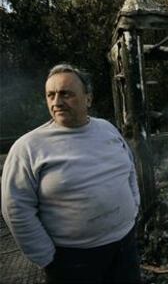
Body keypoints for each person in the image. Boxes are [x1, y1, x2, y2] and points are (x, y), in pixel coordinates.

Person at [1, 64, 141, 283]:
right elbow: (15, 207)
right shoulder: (28, 147)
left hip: (125, 245)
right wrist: (46, 257)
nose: (57, 102)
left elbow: (129, 168)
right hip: (73, 260)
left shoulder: (107, 129)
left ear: (88, 98)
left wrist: (134, 206)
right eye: (51, 95)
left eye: (66, 94)